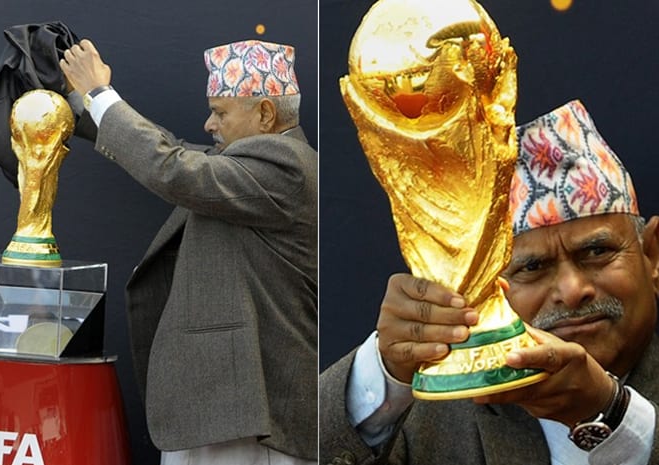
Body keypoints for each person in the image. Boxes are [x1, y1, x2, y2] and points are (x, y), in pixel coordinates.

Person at [320, 100, 659, 465]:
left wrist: (613, 411)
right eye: (532, 268)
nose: (573, 291)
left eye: (597, 252)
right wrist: (387, 368)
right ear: (486, 290)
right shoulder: (432, 413)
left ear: (652, 254)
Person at [60, 38, 317, 465]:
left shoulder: (287, 166)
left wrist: (102, 94)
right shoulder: (253, 165)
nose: (209, 125)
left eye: (220, 112)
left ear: (265, 114)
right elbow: (172, 149)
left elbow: (174, 167)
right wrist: (80, 101)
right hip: (227, 412)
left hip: (250, 424)